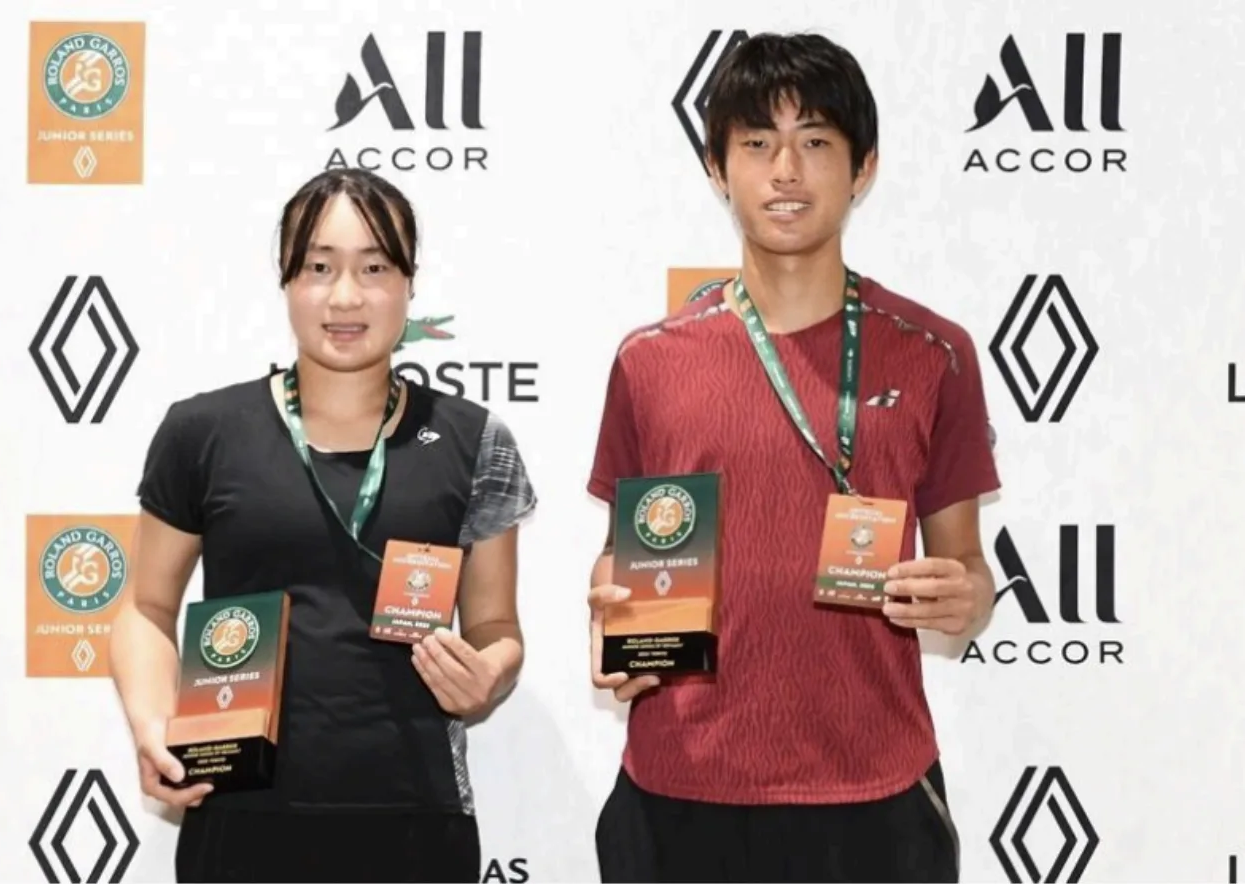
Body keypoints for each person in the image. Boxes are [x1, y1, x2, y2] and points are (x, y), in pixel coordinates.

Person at [586, 31, 1000, 883]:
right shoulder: (649, 360)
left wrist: (963, 596)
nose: (785, 171)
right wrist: (608, 615)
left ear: (863, 168)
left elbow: (967, 571)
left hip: (874, 792)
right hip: (679, 789)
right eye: (756, 143)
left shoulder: (934, 352)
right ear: (717, 168)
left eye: (814, 141)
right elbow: (632, 553)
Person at [108, 168, 536, 883]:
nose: (345, 296)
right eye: (318, 268)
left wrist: (487, 673)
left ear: (409, 283)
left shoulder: (473, 440)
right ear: (285, 279)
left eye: (374, 268)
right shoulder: (202, 432)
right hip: (238, 819)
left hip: (417, 824)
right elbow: (145, 607)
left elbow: (496, 626)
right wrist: (154, 725)